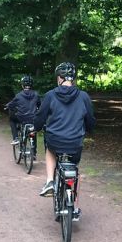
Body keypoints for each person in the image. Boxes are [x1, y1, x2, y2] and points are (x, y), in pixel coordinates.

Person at [34, 62, 95, 221]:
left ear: (59, 78)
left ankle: (49, 182)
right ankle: (74, 207)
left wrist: (37, 127)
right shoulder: (83, 96)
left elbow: (40, 117)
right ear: (73, 78)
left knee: (50, 150)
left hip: (55, 140)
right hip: (75, 143)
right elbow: (90, 120)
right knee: (75, 170)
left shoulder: (50, 95)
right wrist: (89, 129)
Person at [6, 75, 40, 146]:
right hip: (33, 118)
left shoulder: (19, 95)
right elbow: (39, 105)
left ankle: (15, 138)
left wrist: (7, 106)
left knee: (12, 120)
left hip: (21, 118)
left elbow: (11, 104)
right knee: (33, 131)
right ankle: (33, 152)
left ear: (22, 85)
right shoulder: (36, 95)